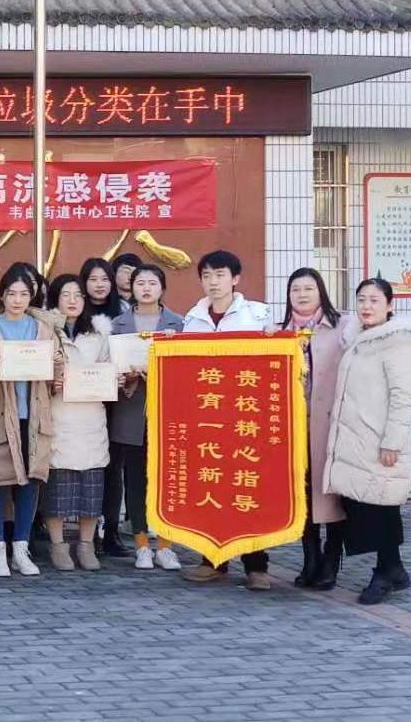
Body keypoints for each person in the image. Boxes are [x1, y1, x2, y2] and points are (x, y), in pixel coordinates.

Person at [180, 250, 277, 590]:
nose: (213, 282)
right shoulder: (193, 320)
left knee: (247, 489)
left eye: (220, 274)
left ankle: (256, 565)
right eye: (207, 275)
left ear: (235, 278)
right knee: (211, 488)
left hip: (245, 418)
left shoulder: (257, 316)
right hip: (207, 420)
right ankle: (213, 561)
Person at [324, 278, 411, 605]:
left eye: (374, 300)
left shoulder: (396, 343)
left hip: (381, 442)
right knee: (364, 504)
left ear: (390, 305)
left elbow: (403, 397)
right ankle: (394, 568)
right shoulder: (357, 340)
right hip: (356, 440)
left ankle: (385, 573)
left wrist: (392, 441)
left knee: (382, 507)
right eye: (362, 299)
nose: (366, 306)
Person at [0, 262, 62, 578]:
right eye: (11, 293)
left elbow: (58, 370)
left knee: (30, 484)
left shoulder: (43, 328)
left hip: (33, 416)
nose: (17, 300)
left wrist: (56, 365)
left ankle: (21, 550)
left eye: (24, 294)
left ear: (32, 296)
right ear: (2, 295)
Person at [107, 265, 185, 568]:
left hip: (169, 412)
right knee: (135, 478)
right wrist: (124, 375)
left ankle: (165, 544)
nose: (147, 288)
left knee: (167, 479)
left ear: (162, 288)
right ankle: (141, 544)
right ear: (132, 287)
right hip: (130, 410)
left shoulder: (178, 324)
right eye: (140, 283)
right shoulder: (118, 324)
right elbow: (109, 368)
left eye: (153, 283)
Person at [281, 268, 349, 589]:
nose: (302, 294)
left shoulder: (342, 327)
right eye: (296, 289)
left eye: (309, 288)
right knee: (302, 494)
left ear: (321, 291)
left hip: (331, 425)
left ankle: (331, 560)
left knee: (331, 495)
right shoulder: (279, 333)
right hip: (294, 428)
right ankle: (310, 557)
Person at [42, 274, 111, 573]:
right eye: (66, 294)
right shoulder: (45, 331)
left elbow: (109, 369)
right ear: (55, 298)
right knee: (58, 486)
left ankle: (86, 544)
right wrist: (49, 382)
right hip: (58, 415)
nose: (72, 301)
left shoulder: (99, 333)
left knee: (91, 487)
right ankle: (58, 545)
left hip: (91, 418)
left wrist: (116, 379)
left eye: (78, 295)